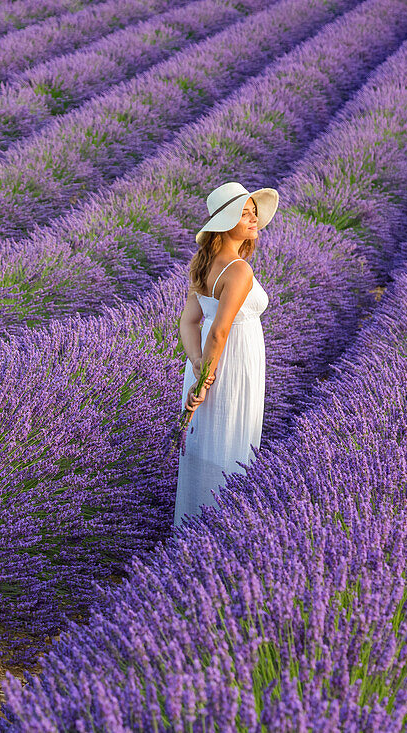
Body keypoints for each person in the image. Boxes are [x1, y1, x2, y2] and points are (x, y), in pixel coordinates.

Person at [173, 181, 278, 527]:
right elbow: (220, 330)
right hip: (232, 366)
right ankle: (220, 530)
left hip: (208, 361)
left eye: (253, 213)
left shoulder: (204, 264)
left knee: (205, 445)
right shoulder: (239, 270)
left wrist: (199, 365)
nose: (253, 219)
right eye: (244, 214)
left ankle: (193, 527)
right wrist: (206, 380)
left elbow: (189, 323)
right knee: (231, 446)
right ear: (225, 222)